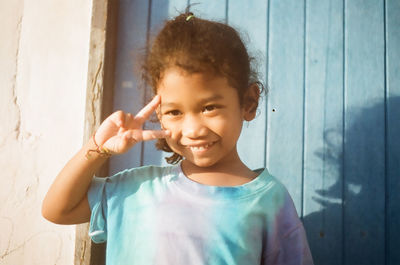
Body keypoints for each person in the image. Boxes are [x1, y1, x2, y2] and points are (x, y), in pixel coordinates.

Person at [42, 11, 313, 265]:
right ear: (158, 114)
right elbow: (57, 210)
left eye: (209, 107)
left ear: (248, 102)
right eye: (174, 112)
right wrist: (98, 148)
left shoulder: (269, 200)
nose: (193, 129)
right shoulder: (136, 189)